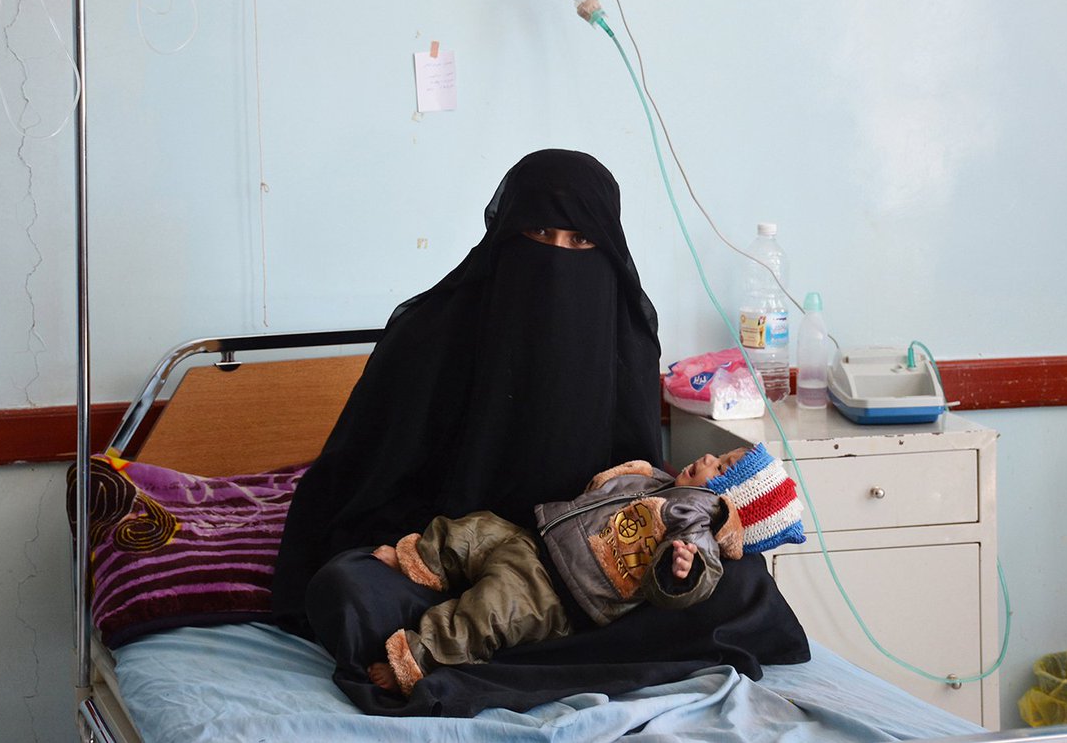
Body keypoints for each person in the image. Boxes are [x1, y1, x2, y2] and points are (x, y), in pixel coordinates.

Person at [272, 149, 663, 638]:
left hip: (577, 576)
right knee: (347, 591)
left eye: (580, 239)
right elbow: (370, 479)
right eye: (540, 232)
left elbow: (640, 487)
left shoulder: (625, 345)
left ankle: (492, 636)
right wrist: (433, 550)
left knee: (732, 584)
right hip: (438, 566)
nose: (556, 256)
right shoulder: (431, 336)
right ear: (506, 237)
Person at [364, 448, 751, 696]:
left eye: (720, 466)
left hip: (553, 593)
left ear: (727, 502)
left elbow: (701, 571)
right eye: (717, 455)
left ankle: (418, 660)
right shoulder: (657, 482)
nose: (707, 457)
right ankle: (422, 560)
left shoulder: (695, 523)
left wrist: (684, 571)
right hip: (536, 542)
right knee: (474, 529)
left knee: (487, 612)